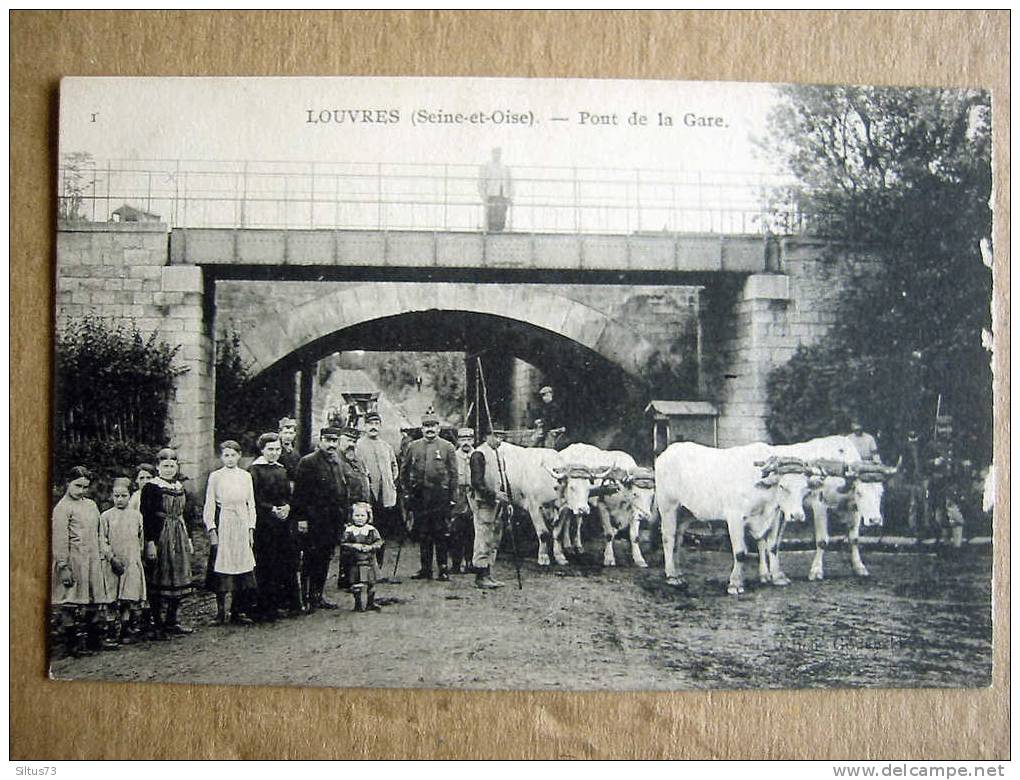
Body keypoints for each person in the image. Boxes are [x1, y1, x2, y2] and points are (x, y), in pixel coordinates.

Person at [52, 465, 118, 656]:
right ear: (67, 483)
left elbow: (99, 533)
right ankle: (72, 645)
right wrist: (63, 566)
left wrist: (106, 554)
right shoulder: (62, 509)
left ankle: (94, 640)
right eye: (77, 486)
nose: (81, 491)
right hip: (74, 560)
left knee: (93, 599)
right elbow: (60, 539)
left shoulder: (90, 505)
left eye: (85, 487)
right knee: (71, 601)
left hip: (92, 559)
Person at [291, 427, 349, 611]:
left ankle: (318, 596)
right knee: (310, 559)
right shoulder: (308, 462)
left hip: (332, 521)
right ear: (320, 441)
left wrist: (344, 517)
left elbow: (342, 491)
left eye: (335, 441)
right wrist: (301, 519)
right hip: (314, 520)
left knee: (325, 558)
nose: (332, 445)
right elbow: (300, 494)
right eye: (328, 440)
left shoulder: (337, 462)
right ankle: (305, 599)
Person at [140, 448, 195, 638]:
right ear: (158, 467)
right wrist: (150, 542)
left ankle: (172, 620)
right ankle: (157, 623)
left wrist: (188, 538)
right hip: (161, 534)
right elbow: (146, 517)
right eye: (165, 466)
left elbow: (186, 515)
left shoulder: (180, 486)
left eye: (172, 466)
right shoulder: (152, 487)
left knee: (178, 574)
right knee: (160, 575)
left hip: (178, 533)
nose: (169, 469)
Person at [203, 441, 258, 626]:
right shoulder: (215, 477)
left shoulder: (245, 476)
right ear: (221, 457)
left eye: (233, 455)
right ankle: (220, 612)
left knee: (241, 566)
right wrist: (211, 528)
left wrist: (251, 529)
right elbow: (209, 504)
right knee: (222, 567)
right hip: (224, 523)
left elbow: (251, 504)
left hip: (241, 524)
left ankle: (237, 610)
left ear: (239, 456)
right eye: (226, 455)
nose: (230, 459)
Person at [400, 408, 457, 581]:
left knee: (440, 533)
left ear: (439, 428)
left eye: (433, 425)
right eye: (426, 426)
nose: (430, 429)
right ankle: (425, 569)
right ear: (422, 428)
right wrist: (407, 493)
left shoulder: (447, 447)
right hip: (420, 496)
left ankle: (443, 568)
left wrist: (453, 498)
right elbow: (404, 471)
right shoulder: (413, 446)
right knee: (423, 533)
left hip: (440, 496)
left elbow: (453, 474)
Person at [249, 432, 300, 620]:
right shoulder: (254, 470)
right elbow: (254, 497)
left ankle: (284, 603)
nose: (274, 453)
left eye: (277, 449)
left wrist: (287, 506)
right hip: (264, 523)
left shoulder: (281, 469)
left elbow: (288, 493)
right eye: (270, 449)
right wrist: (271, 509)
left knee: (284, 561)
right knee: (266, 563)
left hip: (282, 523)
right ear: (262, 450)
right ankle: (265, 607)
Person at [102, 477, 147, 644]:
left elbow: (140, 538)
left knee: (127, 598)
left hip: (131, 561)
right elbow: (102, 540)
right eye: (116, 496)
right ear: (112, 496)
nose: (120, 499)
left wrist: (138, 557)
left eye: (124, 496)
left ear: (130, 495)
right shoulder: (106, 516)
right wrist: (111, 557)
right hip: (113, 563)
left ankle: (125, 630)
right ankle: (111, 631)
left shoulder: (136, 516)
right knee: (112, 598)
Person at [355, 410, 399, 570]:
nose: (373, 427)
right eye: (370, 424)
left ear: (380, 426)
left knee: (380, 532)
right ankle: (362, 568)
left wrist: (389, 482)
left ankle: (377, 567)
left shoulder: (386, 446)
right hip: (366, 496)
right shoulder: (358, 446)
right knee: (363, 531)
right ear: (364, 426)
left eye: (376, 424)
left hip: (384, 496)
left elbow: (394, 466)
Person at [468, 421, 510, 589]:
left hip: (498, 503)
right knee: (483, 537)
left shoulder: (498, 454)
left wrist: (508, 500)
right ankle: (480, 575)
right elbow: (477, 482)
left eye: (501, 436)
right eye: (496, 435)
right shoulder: (479, 454)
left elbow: (504, 479)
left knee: (494, 538)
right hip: (484, 502)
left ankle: (488, 573)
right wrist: (494, 495)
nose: (499, 440)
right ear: (487, 436)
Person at [340, 501, 384, 612]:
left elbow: (379, 542)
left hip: (369, 561)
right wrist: (354, 545)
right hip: (356, 561)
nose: (360, 518)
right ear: (352, 516)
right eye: (357, 515)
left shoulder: (371, 530)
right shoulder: (349, 531)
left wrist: (371, 547)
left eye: (363, 515)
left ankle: (370, 602)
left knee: (372, 583)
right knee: (356, 584)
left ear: (368, 516)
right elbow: (343, 544)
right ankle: (358, 604)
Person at [449, 427, 477, 574]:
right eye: (463, 440)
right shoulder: (453, 456)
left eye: (468, 439)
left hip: (474, 498)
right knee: (456, 532)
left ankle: (470, 562)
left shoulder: (478, 455)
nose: (466, 443)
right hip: (458, 498)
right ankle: (456, 563)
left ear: (473, 440)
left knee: (472, 532)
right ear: (458, 441)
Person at [478, 147, 513, 232]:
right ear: (492, 153)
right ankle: (491, 232)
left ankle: (500, 231)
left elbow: (510, 181)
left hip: (503, 195)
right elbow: (481, 181)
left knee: (502, 215)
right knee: (491, 215)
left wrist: (510, 196)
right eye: (495, 153)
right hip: (491, 194)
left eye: (499, 153)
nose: (497, 155)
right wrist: (483, 195)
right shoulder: (486, 166)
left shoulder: (505, 166)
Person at [901, 430, 926, 534]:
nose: (913, 440)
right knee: (912, 503)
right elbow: (902, 462)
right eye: (911, 437)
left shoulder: (922, 449)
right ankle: (912, 527)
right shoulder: (905, 448)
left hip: (921, 478)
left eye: (915, 437)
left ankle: (923, 526)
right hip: (910, 479)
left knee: (923, 502)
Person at [278, 417, 301, 483]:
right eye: (285, 433)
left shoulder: (295, 452)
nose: (288, 436)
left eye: (291, 433)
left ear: (295, 434)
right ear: (280, 433)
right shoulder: (276, 450)